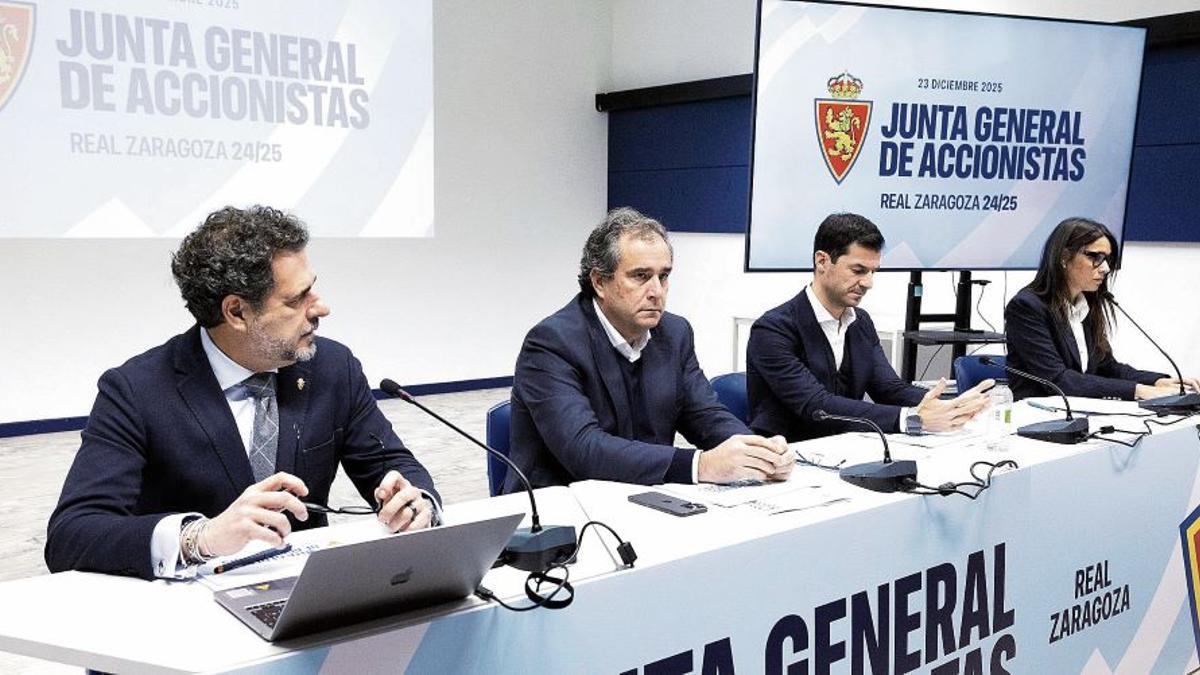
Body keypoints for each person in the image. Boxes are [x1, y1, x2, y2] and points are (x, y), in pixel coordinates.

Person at [45, 206, 439, 580]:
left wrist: (416, 501)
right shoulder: (137, 390)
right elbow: (71, 534)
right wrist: (199, 538)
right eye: (296, 299)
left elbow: (392, 465)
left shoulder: (332, 368)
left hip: (311, 593)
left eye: (312, 290)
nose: (321, 308)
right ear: (236, 312)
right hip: (191, 605)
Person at [505, 207, 794, 492]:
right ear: (600, 282)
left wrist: (758, 451)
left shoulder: (674, 333)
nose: (657, 291)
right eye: (641, 276)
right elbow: (583, 449)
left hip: (644, 495)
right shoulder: (551, 343)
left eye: (663, 276)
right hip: (561, 506)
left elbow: (705, 415)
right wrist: (700, 465)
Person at [747, 213, 992, 441]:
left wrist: (950, 405)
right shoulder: (772, 330)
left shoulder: (860, 322)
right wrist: (911, 418)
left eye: (873, 272)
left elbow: (889, 389)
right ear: (822, 261)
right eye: (858, 270)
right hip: (787, 455)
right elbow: (817, 405)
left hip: (846, 448)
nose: (868, 282)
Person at [1004, 216, 1197, 400]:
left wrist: (1157, 381)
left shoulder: (1085, 305)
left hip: (1080, 411)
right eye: (1095, 257)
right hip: (1037, 414)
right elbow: (1058, 379)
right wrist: (1138, 390)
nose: (1105, 268)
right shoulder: (1026, 307)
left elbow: (1107, 367)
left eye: (1107, 259)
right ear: (1064, 257)